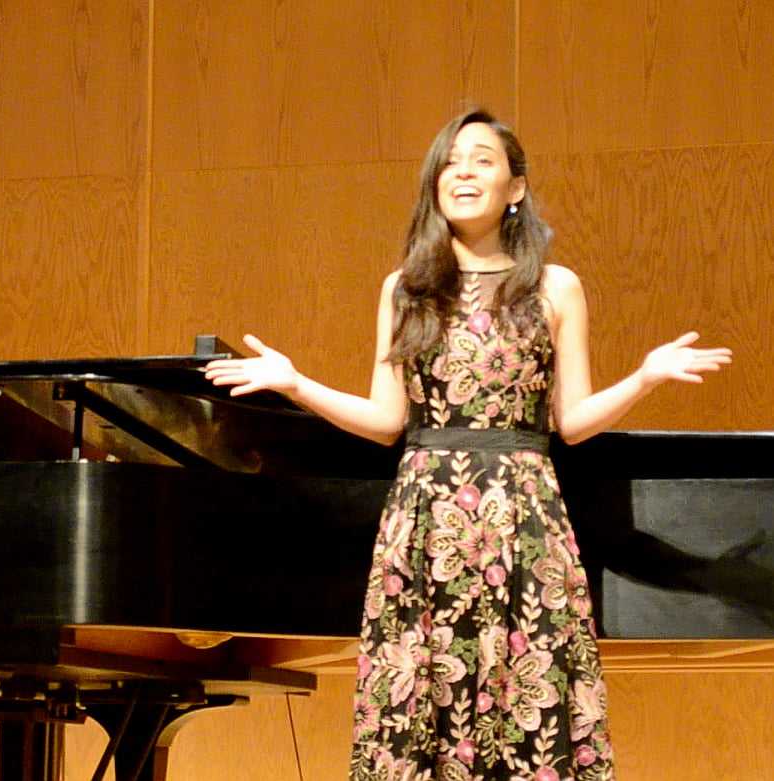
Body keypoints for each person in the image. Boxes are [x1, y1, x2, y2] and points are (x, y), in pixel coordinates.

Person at [205, 110, 731, 780]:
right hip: (425, 520)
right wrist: (296, 382)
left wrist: (645, 376)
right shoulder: (405, 289)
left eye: (481, 159)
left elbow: (573, 421)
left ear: (515, 187)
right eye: (450, 163)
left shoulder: (555, 286)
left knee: (529, 704)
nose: (462, 172)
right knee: (424, 698)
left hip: (523, 514)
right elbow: (384, 419)